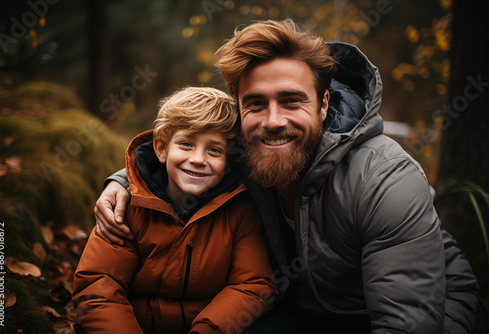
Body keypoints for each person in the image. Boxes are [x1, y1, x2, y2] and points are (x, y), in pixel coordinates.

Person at [93, 19, 479, 333]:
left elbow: (405, 320)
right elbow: (185, 147)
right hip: (306, 309)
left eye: (292, 101)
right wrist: (125, 182)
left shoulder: (383, 177)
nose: (273, 122)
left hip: (416, 310)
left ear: (324, 103)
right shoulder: (244, 151)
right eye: (256, 104)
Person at [73, 87, 277, 334]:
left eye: (214, 150)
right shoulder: (127, 207)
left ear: (229, 160)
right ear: (161, 149)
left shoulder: (239, 210)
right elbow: (98, 287)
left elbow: (252, 285)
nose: (199, 159)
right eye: (186, 144)